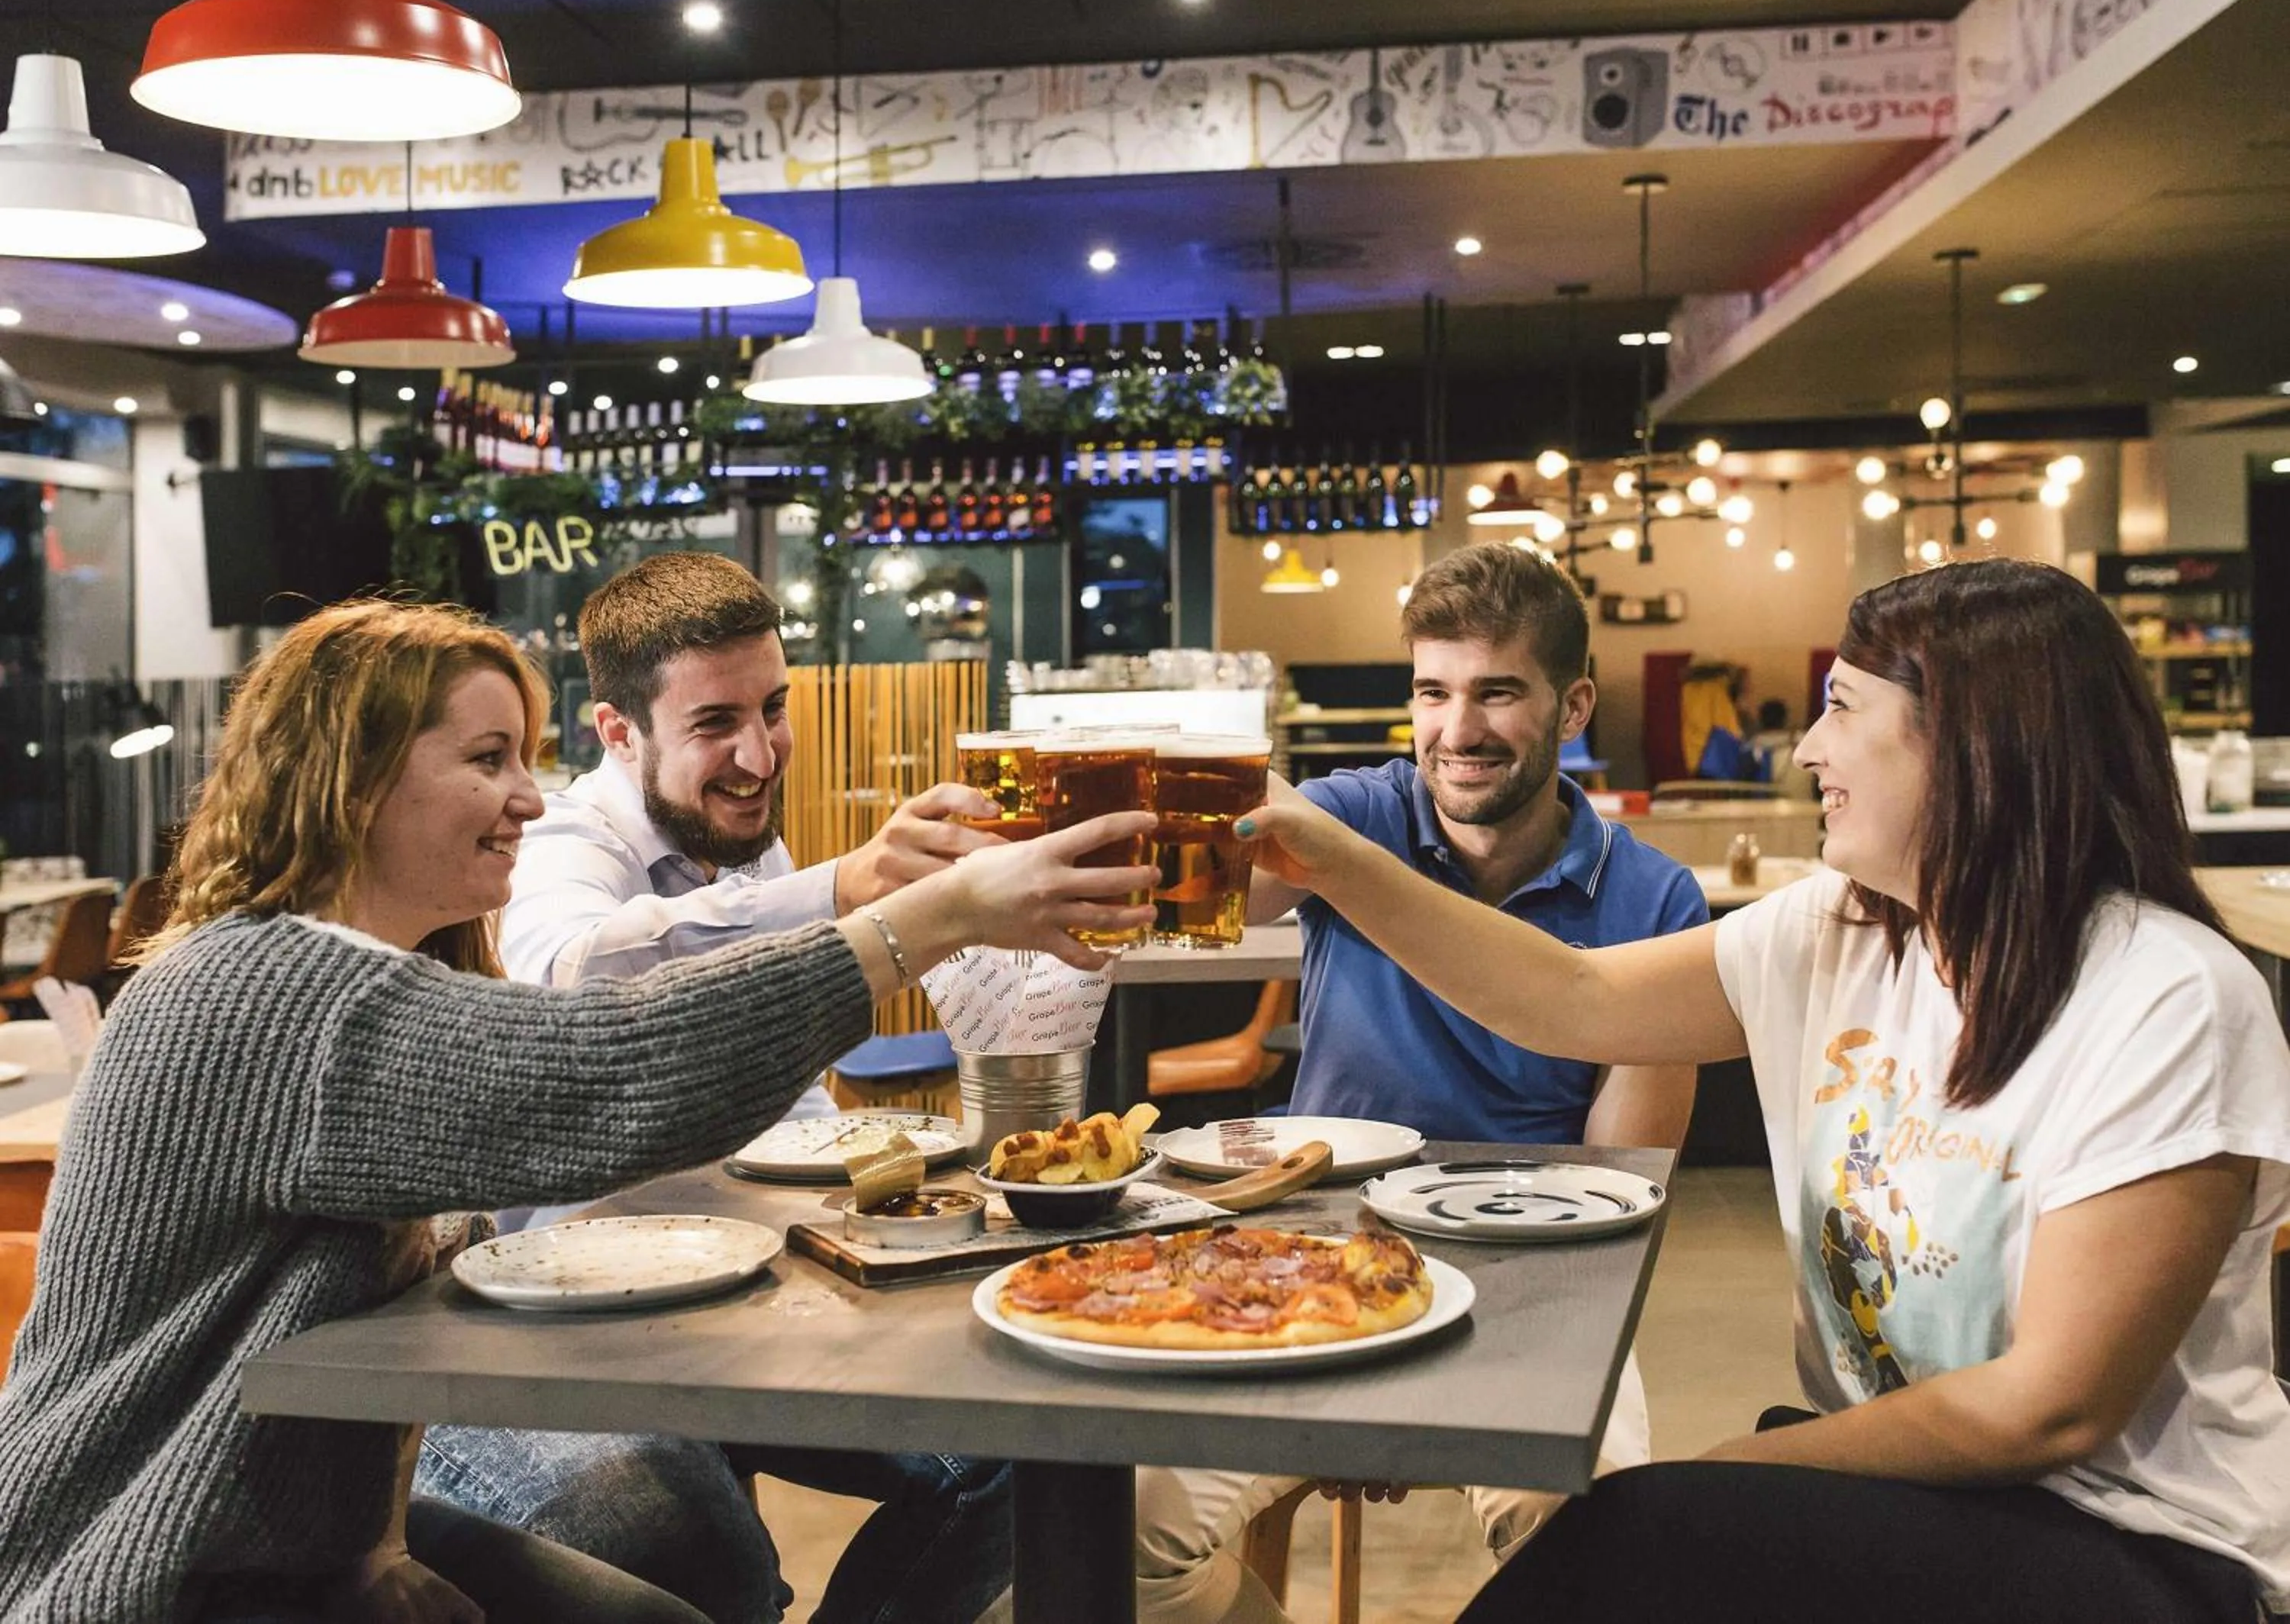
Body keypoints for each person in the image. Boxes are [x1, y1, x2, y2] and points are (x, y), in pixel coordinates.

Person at [0, 598, 1155, 1624]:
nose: (528, 795)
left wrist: (371, 1545)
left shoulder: (365, 972)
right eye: (490, 757)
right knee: (685, 1548)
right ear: (351, 779)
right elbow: (614, 1070)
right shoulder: (266, 992)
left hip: (297, 1543)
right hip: (144, 1565)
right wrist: (932, 914)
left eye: (529, 754)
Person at [1234, 559, 2290, 1624]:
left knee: (1635, 1541)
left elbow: (2048, 1409)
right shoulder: (1843, 929)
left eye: (1842, 706)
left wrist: (1740, 1465)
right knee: (1632, 1538)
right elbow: (1575, 996)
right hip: (1912, 1491)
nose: (1808, 748)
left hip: (2133, 1542)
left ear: (1972, 741)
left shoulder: (2170, 998)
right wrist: (1334, 856)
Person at [414, 553, 1017, 1624]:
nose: (758, 751)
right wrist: (843, 893)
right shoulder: (560, 838)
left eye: (773, 709)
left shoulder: (737, 836)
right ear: (616, 730)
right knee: (705, 1558)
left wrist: (901, 1188)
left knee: (1023, 1454)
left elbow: (788, 1102)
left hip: (735, 1285)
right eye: (714, 723)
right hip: (555, 1323)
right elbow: (574, 975)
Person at [1134, 543, 1708, 1624]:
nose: (1458, 729)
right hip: (1300, 1265)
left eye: (1498, 691)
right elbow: (1217, 885)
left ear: (1573, 703)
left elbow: (1624, 1184)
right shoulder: (1356, 814)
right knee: (1114, 1532)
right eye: (1433, 692)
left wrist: (1418, 1374)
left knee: (1610, 1548)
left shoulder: (1653, 898)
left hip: (1528, 1292)